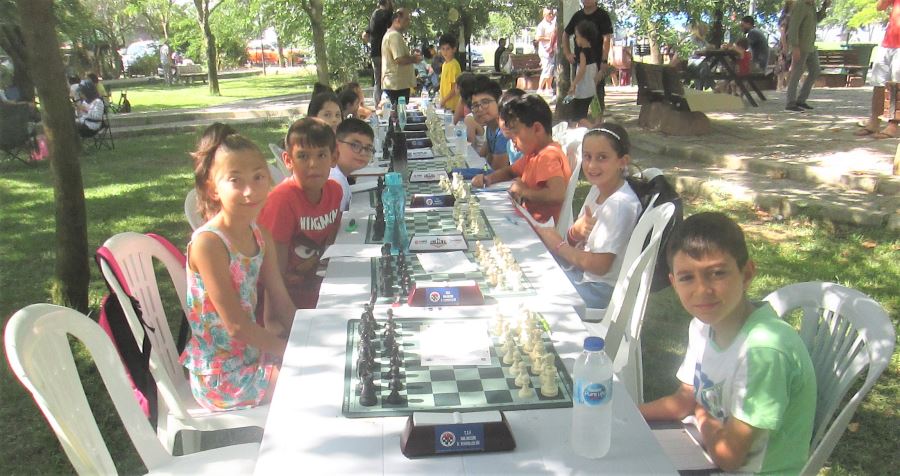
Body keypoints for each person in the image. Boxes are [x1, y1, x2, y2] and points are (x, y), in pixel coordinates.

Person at [640, 212, 816, 474]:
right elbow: (685, 398)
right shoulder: (702, 326)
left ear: (746, 274)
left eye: (717, 273)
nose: (702, 290)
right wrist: (626, 414)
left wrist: (701, 413)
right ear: (673, 283)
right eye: (687, 277)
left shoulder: (764, 352)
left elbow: (729, 457)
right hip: (704, 449)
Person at [181, 127, 295, 411]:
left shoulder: (260, 235)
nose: (250, 191)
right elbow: (235, 327)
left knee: (330, 366)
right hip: (221, 378)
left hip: (254, 356)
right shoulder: (209, 244)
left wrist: (306, 337)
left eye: (258, 177)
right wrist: (294, 351)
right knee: (309, 383)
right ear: (213, 189)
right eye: (235, 180)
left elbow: (280, 299)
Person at [533, 125, 641, 310]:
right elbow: (577, 241)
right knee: (530, 268)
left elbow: (599, 266)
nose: (591, 165)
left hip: (598, 290)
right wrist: (575, 232)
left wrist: (558, 246)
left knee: (532, 290)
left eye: (602, 157)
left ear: (622, 162)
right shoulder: (597, 189)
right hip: (581, 275)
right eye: (587, 156)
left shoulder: (619, 205)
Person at [258, 118, 343, 310]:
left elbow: (333, 240)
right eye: (303, 156)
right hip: (284, 297)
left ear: (334, 157)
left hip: (315, 283)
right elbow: (274, 275)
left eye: (321, 155)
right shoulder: (282, 202)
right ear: (288, 160)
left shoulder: (335, 191)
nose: (313, 164)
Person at [471, 94, 571, 224]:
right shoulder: (534, 154)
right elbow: (510, 171)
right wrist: (488, 179)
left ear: (537, 129)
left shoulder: (548, 156)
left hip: (539, 228)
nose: (513, 141)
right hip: (526, 219)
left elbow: (556, 194)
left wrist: (524, 192)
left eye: (516, 134)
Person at [856, 0, 900, 138]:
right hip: (888, 43)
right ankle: (874, 122)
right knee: (878, 83)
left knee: (896, 85)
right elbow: (880, 7)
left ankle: (893, 125)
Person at [563, 0, 613, 114]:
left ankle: (595, 119)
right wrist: (567, 53)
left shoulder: (602, 15)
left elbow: (607, 39)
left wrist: (604, 60)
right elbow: (565, 34)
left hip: (596, 61)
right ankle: (580, 116)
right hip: (579, 61)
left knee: (596, 95)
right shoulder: (577, 16)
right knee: (579, 94)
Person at [785, 0, 830, 112]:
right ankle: (790, 103)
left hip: (810, 45)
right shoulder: (800, 5)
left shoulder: (811, 6)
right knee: (797, 73)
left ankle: (801, 100)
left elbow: (816, 19)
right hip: (801, 46)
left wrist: (824, 7)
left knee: (815, 70)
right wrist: (795, 47)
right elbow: (793, 27)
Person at [330, 118, 375, 211]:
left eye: (368, 148)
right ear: (336, 145)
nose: (362, 153)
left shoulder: (339, 175)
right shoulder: (335, 182)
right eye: (355, 145)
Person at [467, 75, 509, 170]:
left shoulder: (504, 131)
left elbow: (496, 172)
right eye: (475, 105)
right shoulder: (491, 127)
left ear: (499, 101)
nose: (480, 109)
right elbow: (483, 159)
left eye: (485, 102)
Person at [381, 8, 420, 105]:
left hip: (395, 84)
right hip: (397, 86)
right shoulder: (394, 35)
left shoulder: (390, 34)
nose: (408, 22)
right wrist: (414, 59)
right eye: (406, 19)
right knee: (399, 113)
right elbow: (399, 59)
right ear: (398, 19)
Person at [567, 21, 602, 127]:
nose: (576, 39)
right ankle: (597, 124)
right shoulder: (593, 51)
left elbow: (582, 70)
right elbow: (595, 69)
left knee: (578, 117)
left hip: (583, 90)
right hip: (591, 88)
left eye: (577, 37)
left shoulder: (583, 53)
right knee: (595, 110)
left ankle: (593, 128)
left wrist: (573, 84)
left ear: (584, 37)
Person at [363, 0, 393, 105]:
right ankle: (388, 104)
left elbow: (365, 35)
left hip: (375, 53)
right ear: (388, 2)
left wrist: (371, 44)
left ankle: (378, 105)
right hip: (385, 53)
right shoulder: (388, 15)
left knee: (378, 81)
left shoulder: (374, 15)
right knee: (389, 79)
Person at [499, 87, 526, 165]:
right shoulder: (509, 144)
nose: (505, 123)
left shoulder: (529, 147)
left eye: (511, 118)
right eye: (502, 117)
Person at [535, 8, 557, 94]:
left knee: (551, 69)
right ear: (544, 15)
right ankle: (540, 88)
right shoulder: (542, 25)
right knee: (546, 69)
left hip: (552, 50)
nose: (551, 15)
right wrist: (550, 38)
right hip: (545, 51)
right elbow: (537, 37)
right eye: (549, 14)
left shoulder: (552, 23)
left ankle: (548, 87)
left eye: (552, 14)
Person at [438, 33, 461, 112]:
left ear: (454, 49)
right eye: (443, 49)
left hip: (453, 106)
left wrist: (443, 101)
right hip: (446, 105)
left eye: (448, 49)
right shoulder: (444, 64)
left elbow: (454, 89)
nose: (445, 52)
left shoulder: (454, 65)